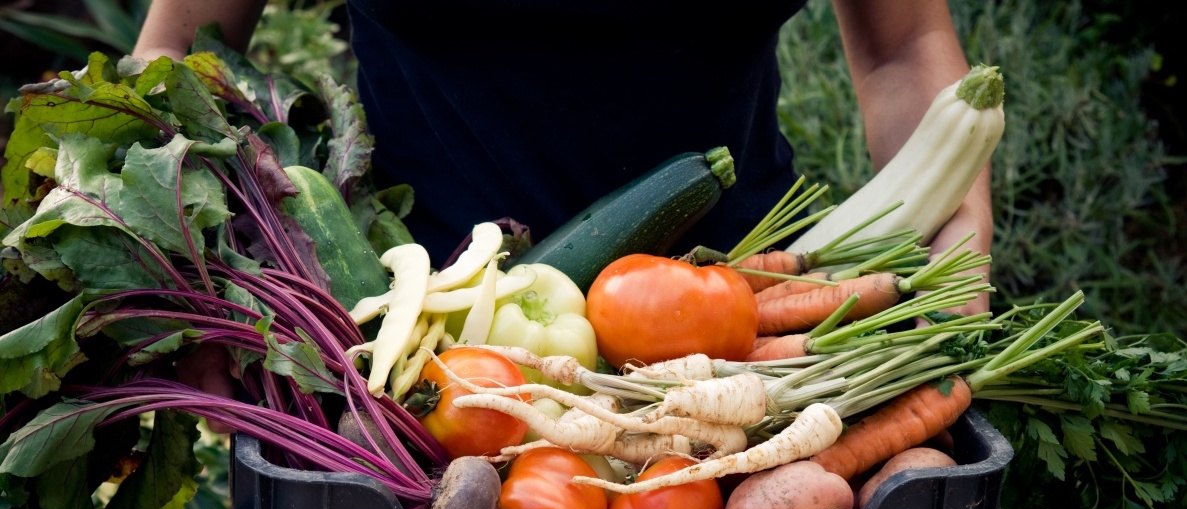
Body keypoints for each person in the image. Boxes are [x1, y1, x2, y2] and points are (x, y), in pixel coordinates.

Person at [133, 0, 992, 315]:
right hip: (410, 353)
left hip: (745, 332)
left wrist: (955, 244)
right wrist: (175, 278)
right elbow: (178, 49)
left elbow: (903, 46)